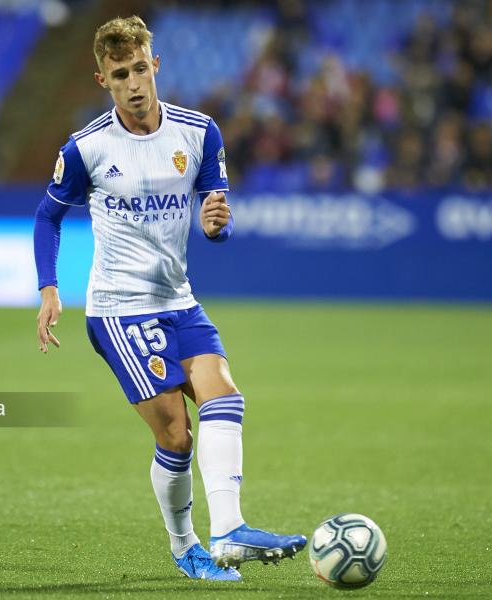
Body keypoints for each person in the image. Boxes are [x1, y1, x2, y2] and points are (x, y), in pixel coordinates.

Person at [33, 16, 306, 581]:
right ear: (101, 80)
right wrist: (49, 287)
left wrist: (216, 226)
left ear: (154, 66)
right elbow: (48, 217)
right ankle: (185, 547)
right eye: (118, 75)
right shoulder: (87, 149)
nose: (132, 83)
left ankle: (228, 530)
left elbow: (217, 220)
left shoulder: (199, 133)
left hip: (178, 300)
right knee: (176, 435)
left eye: (138, 69)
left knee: (225, 397)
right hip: (118, 309)